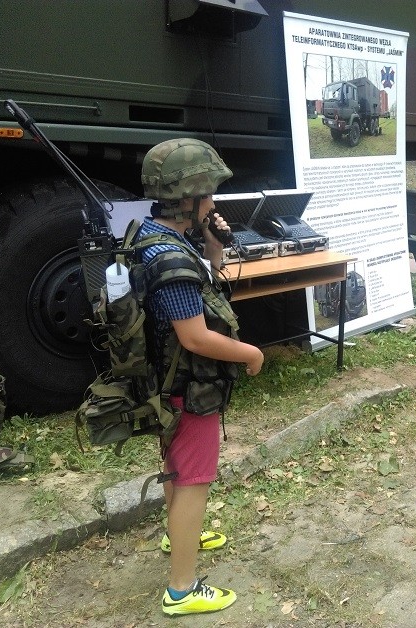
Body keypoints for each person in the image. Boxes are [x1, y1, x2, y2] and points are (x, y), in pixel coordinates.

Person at [138, 138, 265, 615]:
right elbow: (194, 337)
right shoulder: (171, 258)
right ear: (186, 198)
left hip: (165, 383)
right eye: (207, 194)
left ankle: (180, 536)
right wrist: (250, 352)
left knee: (177, 468)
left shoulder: (155, 236)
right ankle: (182, 590)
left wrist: (212, 244)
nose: (213, 203)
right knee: (193, 479)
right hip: (188, 387)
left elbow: (204, 288)